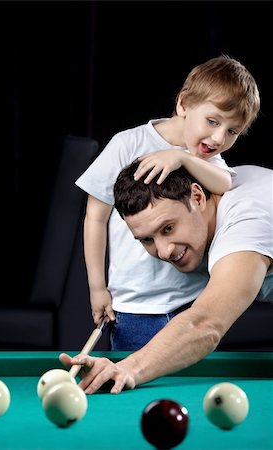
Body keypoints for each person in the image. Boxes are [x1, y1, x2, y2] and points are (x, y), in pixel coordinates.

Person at [75, 55, 260, 350]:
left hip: (194, 303)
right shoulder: (129, 144)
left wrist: (182, 157)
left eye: (232, 131)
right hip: (135, 307)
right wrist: (97, 287)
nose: (218, 137)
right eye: (212, 121)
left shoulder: (208, 160)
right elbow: (95, 217)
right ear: (184, 104)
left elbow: (226, 184)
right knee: (131, 380)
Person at [60, 162, 273, 394]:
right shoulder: (226, 185)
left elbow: (205, 324)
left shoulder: (246, 226)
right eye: (147, 240)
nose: (163, 251)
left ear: (197, 197)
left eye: (168, 228)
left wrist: (129, 368)